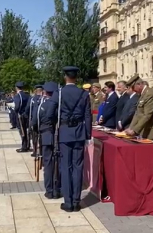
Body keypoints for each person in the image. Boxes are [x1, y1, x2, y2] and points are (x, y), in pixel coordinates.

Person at [47, 66, 92, 212]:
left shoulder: (59, 93)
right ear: (76, 77)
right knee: (78, 167)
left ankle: (68, 202)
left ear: (65, 77)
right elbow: (88, 116)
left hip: (64, 133)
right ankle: (76, 201)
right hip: (79, 133)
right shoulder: (83, 93)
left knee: (66, 167)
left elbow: (49, 114)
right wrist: (88, 135)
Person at [33, 81, 61, 199]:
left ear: (45, 92)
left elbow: (34, 122)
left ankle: (49, 190)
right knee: (58, 164)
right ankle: (57, 189)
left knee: (48, 164)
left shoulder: (42, 105)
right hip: (58, 136)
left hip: (45, 136)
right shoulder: (59, 105)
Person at [25, 84, 44, 156]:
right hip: (42, 121)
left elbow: (27, 109)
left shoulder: (32, 99)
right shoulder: (44, 99)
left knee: (34, 137)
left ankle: (35, 151)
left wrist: (27, 116)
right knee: (41, 137)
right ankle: (41, 151)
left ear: (35, 91)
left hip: (33, 120)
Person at [13, 82, 30, 153]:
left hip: (20, 115)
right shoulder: (27, 95)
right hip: (26, 115)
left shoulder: (18, 96)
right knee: (25, 131)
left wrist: (16, 111)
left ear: (16, 87)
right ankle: (27, 145)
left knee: (22, 131)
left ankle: (24, 147)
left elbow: (17, 106)